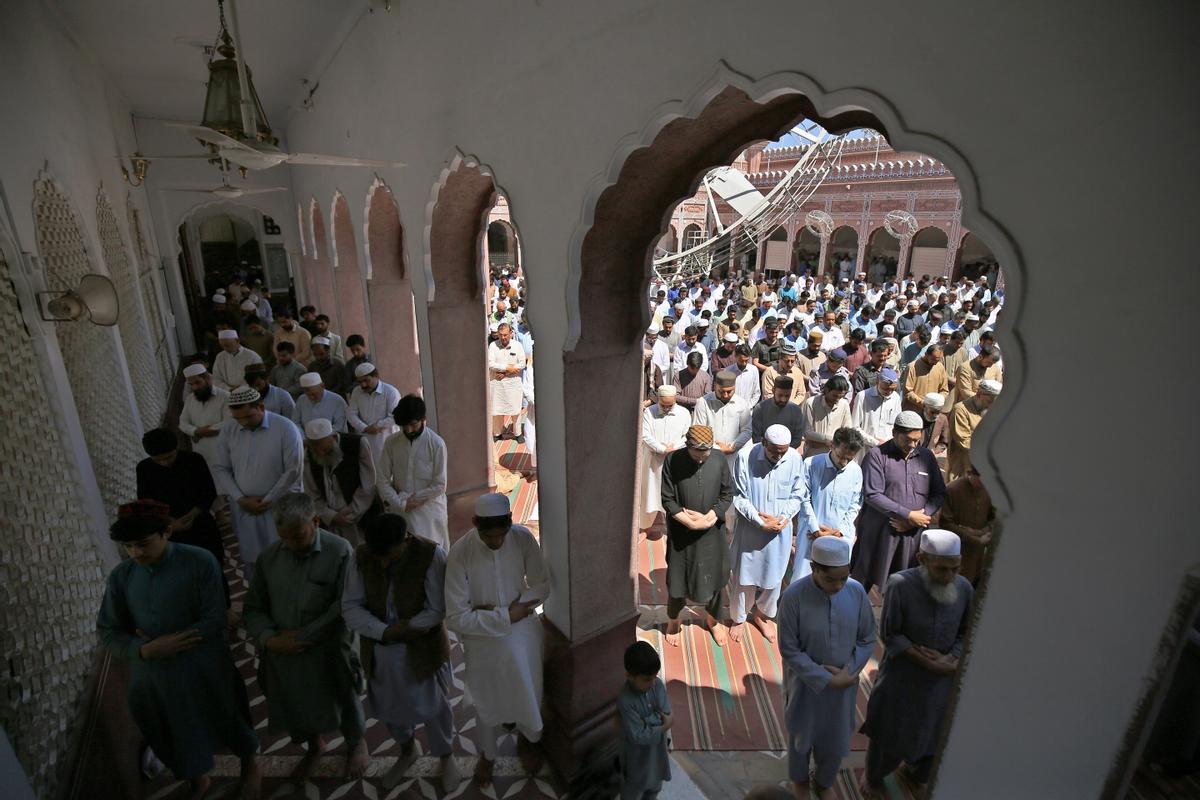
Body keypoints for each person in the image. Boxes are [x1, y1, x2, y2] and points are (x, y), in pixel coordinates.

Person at [97, 501, 260, 800]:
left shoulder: (199, 561)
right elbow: (108, 632)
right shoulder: (122, 577)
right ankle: (198, 778)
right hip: (154, 674)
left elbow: (215, 618)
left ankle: (250, 767)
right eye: (129, 546)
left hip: (204, 662)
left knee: (229, 716)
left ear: (167, 531)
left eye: (144, 544)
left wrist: (174, 642)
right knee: (169, 731)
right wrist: (145, 649)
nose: (136, 553)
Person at [242, 493, 367, 780]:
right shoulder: (270, 557)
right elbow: (253, 607)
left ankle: (356, 742)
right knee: (296, 700)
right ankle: (314, 745)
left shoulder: (340, 551)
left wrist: (303, 636)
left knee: (344, 694)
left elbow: (345, 603)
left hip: (331, 645)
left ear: (315, 521)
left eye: (297, 537)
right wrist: (269, 639)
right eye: (283, 537)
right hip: (284, 650)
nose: (290, 545)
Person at [342, 513, 461, 792]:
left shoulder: (431, 555)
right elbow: (351, 606)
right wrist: (385, 632)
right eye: (378, 556)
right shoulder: (361, 556)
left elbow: (437, 608)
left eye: (389, 556)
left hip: (422, 648)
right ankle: (408, 751)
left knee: (435, 707)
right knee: (389, 708)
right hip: (380, 648)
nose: (382, 563)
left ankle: (446, 757)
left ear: (405, 541)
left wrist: (409, 628)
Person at [444, 493, 550, 785]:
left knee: (528, 692)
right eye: (489, 537)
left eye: (500, 536)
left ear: (509, 526)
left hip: (523, 633)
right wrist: (505, 615)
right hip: (482, 640)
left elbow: (542, 585)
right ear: (477, 527)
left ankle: (529, 740)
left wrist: (518, 608)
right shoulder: (461, 551)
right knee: (486, 700)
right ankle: (488, 756)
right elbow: (455, 617)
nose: (496, 542)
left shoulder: (521, 538)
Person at [860, 530, 973, 799]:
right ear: (921, 559)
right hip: (903, 675)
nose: (948, 576)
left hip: (942, 681)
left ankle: (916, 773)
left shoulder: (965, 588)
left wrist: (950, 659)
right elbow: (890, 634)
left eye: (955, 569)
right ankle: (874, 777)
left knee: (935, 732)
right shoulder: (900, 585)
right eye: (941, 569)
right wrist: (919, 657)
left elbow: (965, 632)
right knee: (891, 732)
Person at [778, 536, 875, 799]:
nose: (839, 585)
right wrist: (824, 678)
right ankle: (799, 780)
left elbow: (867, 638)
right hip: (805, 687)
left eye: (844, 577)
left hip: (844, 687)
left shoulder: (855, 592)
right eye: (832, 579)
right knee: (801, 736)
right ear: (814, 569)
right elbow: (789, 649)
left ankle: (823, 781)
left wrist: (848, 674)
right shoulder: (793, 597)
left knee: (836, 738)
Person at [212, 385, 304, 583]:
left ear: (261, 406)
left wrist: (268, 500)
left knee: (286, 555)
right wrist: (240, 498)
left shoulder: (285, 428)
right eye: (238, 419)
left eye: (248, 417)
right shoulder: (229, 429)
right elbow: (221, 467)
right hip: (244, 508)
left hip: (280, 505)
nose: (243, 423)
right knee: (255, 559)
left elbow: (293, 470)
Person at [850, 411, 947, 594]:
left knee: (903, 587)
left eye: (917, 440)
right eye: (908, 439)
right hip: (879, 534)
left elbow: (939, 492)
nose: (912, 445)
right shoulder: (877, 456)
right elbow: (873, 494)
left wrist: (920, 516)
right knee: (860, 586)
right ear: (894, 433)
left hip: (911, 537)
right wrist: (908, 515)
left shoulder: (926, 457)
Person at [728, 424, 806, 644]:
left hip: (779, 529)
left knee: (774, 576)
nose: (779, 456)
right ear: (763, 443)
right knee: (745, 576)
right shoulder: (746, 457)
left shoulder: (793, 458)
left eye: (783, 451)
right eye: (774, 451)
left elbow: (798, 494)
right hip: (751, 528)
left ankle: (761, 615)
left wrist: (782, 519)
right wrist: (759, 520)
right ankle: (739, 618)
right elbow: (738, 496)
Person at [136, 428, 230, 609]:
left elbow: (208, 491)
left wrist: (191, 515)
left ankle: (225, 608)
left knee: (213, 566)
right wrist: (170, 522)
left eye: (169, 456)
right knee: (183, 573)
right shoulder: (144, 468)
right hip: (170, 530)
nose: (164, 462)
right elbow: (146, 499)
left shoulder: (194, 460)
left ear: (176, 448)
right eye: (158, 459)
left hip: (201, 523)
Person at [660, 425, 734, 648]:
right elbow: (667, 499)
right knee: (677, 578)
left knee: (716, 577)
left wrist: (709, 519)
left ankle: (712, 620)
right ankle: (674, 619)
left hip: (712, 532)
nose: (701, 459)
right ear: (687, 446)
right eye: (696, 454)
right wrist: (689, 520)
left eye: (706, 454)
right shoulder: (672, 460)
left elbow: (726, 493)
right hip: (682, 533)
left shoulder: (719, 460)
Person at [376, 394, 449, 550]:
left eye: (413, 424)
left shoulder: (436, 444)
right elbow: (382, 479)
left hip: (429, 512)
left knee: (431, 554)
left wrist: (411, 500)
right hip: (399, 511)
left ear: (423, 419)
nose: (408, 430)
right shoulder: (392, 442)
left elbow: (439, 485)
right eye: (404, 426)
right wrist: (400, 503)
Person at [795, 427, 866, 580]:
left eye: (849, 458)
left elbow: (855, 505)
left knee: (834, 582)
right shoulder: (811, 464)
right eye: (841, 456)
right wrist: (815, 529)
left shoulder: (856, 471)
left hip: (841, 535)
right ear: (832, 445)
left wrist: (838, 531)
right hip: (811, 533)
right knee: (804, 579)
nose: (844, 462)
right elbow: (803, 499)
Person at [302, 419, 381, 546]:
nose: (321, 453)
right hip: (331, 523)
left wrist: (351, 513)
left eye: (326, 449)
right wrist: (331, 516)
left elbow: (368, 485)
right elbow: (312, 493)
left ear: (333, 437)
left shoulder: (357, 444)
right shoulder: (308, 455)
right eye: (317, 451)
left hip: (361, 517)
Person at [617, 641, 673, 800]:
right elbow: (639, 735)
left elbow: (666, 711)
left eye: (655, 676)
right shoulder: (626, 700)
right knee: (633, 793)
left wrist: (647, 723)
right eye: (647, 679)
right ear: (629, 676)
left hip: (657, 753)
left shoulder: (658, 686)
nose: (653, 682)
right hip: (636, 759)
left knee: (653, 790)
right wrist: (662, 726)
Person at [639, 385, 692, 533]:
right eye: (663, 405)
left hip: (675, 462)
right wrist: (661, 449)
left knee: (673, 496)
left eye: (670, 405)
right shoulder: (649, 412)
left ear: (675, 400)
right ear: (659, 400)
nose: (667, 408)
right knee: (649, 494)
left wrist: (673, 447)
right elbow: (644, 434)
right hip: (653, 462)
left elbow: (687, 435)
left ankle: (673, 527)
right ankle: (645, 527)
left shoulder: (684, 413)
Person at [939, 464, 995, 584]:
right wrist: (976, 539)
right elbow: (945, 524)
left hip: (980, 555)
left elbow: (994, 517)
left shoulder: (990, 488)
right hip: (958, 553)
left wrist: (983, 532)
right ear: (969, 474)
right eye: (980, 480)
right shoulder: (952, 490)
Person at [691, 370, 753, 477]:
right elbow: (698, 431)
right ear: (715, 386)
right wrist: (719, 449)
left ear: (735, 387)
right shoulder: (703, 403)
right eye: (721, 391)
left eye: (729, 391)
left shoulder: (741, 404)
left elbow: (747, 430)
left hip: (735, 457)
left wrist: (733, 447)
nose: (725, 395)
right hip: (710, 456)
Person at [177, 363, 230, 476]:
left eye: (197, 382)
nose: (195, 387)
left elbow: (230, 422)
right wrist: (195, 431)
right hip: (201, 452)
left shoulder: (225, 397)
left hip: (223, 451)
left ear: (208, 379)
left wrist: (208, 430)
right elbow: (183, 423)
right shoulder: (190, 399)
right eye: (191, 384)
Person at [347, 362, 401, 465]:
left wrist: (378, 426)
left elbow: (395, 417)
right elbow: (351, 414)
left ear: (376, 376)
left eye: (366, 381)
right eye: (360, 382)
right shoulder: (356, 392)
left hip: (386, 440)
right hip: (365, 440)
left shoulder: (391, 392)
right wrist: (364, 428)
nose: (363, 385)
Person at [947, 379, 1001, 481]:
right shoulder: (960, 410)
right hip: (962, 466)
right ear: (979, 393)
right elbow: (964, 441)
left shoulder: (990, 410)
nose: (991, 406)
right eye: (989, 401)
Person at [850, 368, 902, 463]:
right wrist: (875, 442)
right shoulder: (863, 396)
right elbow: (854, 427)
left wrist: (889, 442)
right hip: (865, 449)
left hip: (888, 450)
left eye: (892, 389)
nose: (889, 392)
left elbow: (896, 425)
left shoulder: (896, 398)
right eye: (886, 388)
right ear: (877, 381)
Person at [489, 322, 528, 442]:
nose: (503, 337)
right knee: (496, 410)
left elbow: (521, 363)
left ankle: (517, 433)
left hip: (513, 384)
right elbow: (490, 363)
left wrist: (505, 373)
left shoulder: (517, 346)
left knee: (515, 409)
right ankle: (497, 433)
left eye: (506, 335)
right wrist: (507, 367)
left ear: (511, 334)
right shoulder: (493, 346)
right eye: (501, 335)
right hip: (497, 384)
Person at [750, 376, 805, 448]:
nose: (783, 399)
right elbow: (756, 437)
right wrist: (769, 450)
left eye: (787, 396)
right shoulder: (760, 408)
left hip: (787, 453)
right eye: (780, 395)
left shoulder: (796, 411)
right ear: (773, 391)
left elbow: (797, 439)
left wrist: (782, 450)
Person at [901, 344, 948, 414]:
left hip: (932, 413)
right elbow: (907, 392)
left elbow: (944, 390)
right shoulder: (912, 367)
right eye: (933, 359)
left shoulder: (940, 367)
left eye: (938, 360)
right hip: (913, 411)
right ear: (926, 354)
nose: (935, 363)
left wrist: (937, 402)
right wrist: (923, 403)